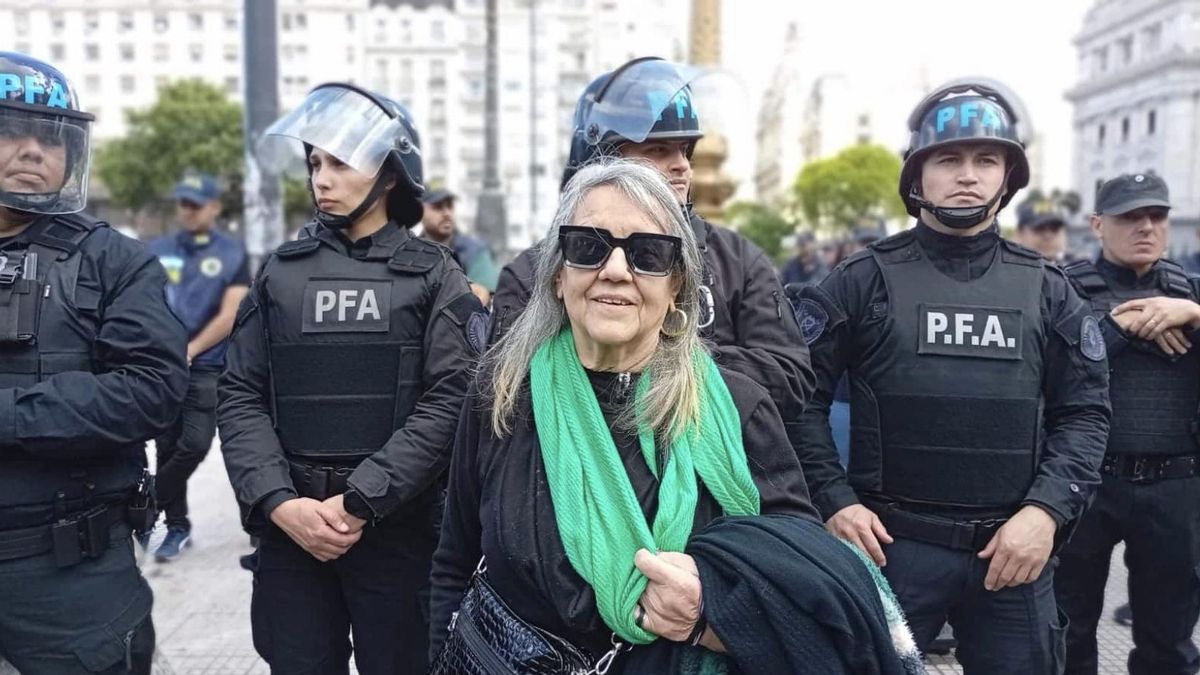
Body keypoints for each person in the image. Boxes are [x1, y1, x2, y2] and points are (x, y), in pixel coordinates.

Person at [429, 159, 919, 675]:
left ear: (676, 286)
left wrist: (708, 614)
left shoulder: (740, 409)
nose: (616, 270)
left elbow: (797, 585)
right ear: (557, 275)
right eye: (588, 246)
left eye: (648, 254)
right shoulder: (503, 395)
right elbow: (453, 564)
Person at [791, 78, 1111, 674]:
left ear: (1008, 177)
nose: (968, 175)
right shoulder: (860, 280)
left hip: (1012, 553)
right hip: (890, 551)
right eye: (948, 159)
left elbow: (1086, 414)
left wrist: (1046, 512)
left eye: (986, 160)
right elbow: (799, 401)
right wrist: (834, 502)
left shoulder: (1049, 289)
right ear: (917, 175)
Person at [217, 83, 484, 674]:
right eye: (315, 164)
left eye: (341, 163)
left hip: (396, 531)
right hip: (292, 533)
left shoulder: (435, 276)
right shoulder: (280, 273)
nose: (322, 179)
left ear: (389, 174)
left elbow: (454, 400)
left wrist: (361, 501)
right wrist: (279, 503)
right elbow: (239, 394)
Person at [489, 57, 813, 424]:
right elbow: (506, 384)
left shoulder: (738, 261)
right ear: (602, 163)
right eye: (658, 150)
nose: (682, 166)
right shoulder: (532, 271)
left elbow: (790, 378)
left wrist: (661, 358)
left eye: (684, 149)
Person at [0, 52, 188, 672]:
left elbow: (154, 390)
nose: (33, 150)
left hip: (70, 579)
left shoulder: (114, 261)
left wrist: (11, 415)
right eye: (11, 130)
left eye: (50, 138)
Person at [1056, 172, 1200, 675]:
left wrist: (1193, 313)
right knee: (1067, 634)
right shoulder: (1063, 290)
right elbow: (1047, 371)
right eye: (1130, 217)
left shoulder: (1190, 292)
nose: (1146, 227)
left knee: (1170, 642)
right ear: (1098, 224)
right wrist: (1116, 329)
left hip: (1175, 486)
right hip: (1085, 482)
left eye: (1156, 216)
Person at [146, 172, 250, 561]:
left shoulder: (232, 254)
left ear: (214, 208)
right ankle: (177, 527)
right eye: (183, 203)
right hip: (160, 365)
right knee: (166, 444)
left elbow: (230, 314)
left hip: (206, 365)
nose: (188, 211)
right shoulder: (158, 250)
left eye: (196, 204)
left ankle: (148, 502)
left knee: (194, 443)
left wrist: (190, 350)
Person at [420, 187, 499, 306]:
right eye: (438, 207)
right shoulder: (410, 251)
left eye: (450, 206)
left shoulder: (475, 251)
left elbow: (482, 298)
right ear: (420, 211)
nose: (447, 213)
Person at [1015, 194, 1072, 263]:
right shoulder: (1008, 267)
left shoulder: (1076, 266)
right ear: (1021, 234)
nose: (1048, 235)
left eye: (1054, 228)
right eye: (1039, 228)